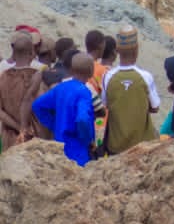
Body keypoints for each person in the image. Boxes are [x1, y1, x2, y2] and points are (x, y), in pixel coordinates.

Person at [102, 26, 160, 155]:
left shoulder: (108, 76)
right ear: (137, 49)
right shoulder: (145, 76)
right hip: (142, 146)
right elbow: (155, 107)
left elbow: (105, 104)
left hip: (115, 146)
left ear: (117, 51)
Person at [32, 53, 97, 165]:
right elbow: (82, 119)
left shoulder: (61, 88)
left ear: (71, 70)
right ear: (91, 71)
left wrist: (54, 124)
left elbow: (37, 106)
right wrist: (88, 140)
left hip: (59, 148)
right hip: (78, 151)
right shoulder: (84, 92)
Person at [0, 32, 41, 150]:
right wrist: (23, 128)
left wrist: (17, 127)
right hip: (31, 135)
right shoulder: (36, 76)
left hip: (8, 136)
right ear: (32, 53)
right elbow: (31, 103)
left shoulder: (3, 77)